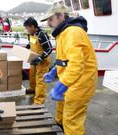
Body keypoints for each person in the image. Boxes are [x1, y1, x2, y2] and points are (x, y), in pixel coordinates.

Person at [41, 3, 98, 135]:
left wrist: (62, 85)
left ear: (61, 15)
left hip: (80, 83)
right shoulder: (64, 32)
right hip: (72, 80)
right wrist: (54, 70)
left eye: (50, 19)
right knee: (62, 107)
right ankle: (60, 126)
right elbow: (66, 59)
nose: (48, 24)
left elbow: (76, 65)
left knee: (72, 119)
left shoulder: (72, 32)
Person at [23, 17, 52, 105]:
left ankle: (39, 100)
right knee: (32, 76)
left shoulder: (42, 35)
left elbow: (49, 48)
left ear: (32, 26)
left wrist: (40, 58)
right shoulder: (31, 35)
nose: (27, 30)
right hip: (33, 59)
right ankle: (32, 89)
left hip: (42, 61)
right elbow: (32, 43)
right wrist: (26, 47)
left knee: (40, 80)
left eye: (27, 28)